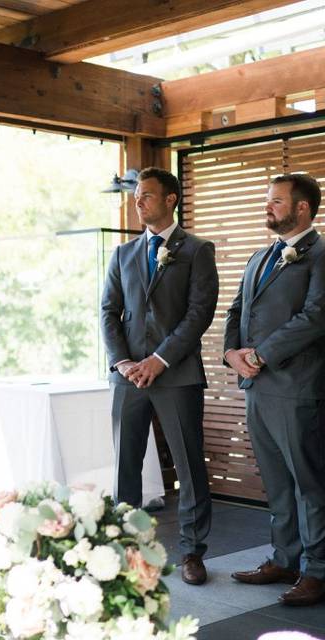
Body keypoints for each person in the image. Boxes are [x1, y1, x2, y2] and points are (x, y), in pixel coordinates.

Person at [100, 167, 217, 586]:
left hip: (177, 375)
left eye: (147, 194)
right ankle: (126, 550)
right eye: (136, 195)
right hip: (128, 378)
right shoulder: (122, 254)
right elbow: (108, 312)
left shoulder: (198, 250)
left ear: (171, 199)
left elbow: (198, 314)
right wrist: (123, 363)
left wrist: (159, 360)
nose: (139, 201)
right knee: (125, 466)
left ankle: (192, 552)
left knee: (189, 465)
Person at [224, 173, 325, 607]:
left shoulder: (322, 256)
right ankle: (285, 558)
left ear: (302, 208)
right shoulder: (258, 256)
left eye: (276, 201)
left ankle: (318, 571)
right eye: (268, 200)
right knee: (277, 482)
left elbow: (315, 316)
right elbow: (234, 309)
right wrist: (232, 353)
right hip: (257, 387)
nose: (268, 207)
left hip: (298, 387)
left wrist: (261, 354)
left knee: (309, 483)